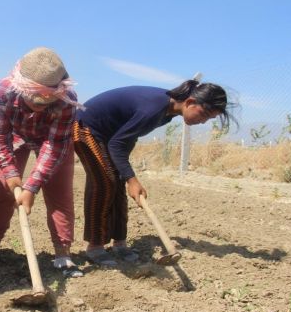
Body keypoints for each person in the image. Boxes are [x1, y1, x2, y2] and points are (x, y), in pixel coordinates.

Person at [73, 80, 237, 266]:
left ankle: (119, 243)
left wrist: (125, 175)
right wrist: (132, 178)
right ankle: (95, 247)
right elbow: (117, 143)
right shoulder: (153, 108)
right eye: (204, 115)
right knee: (105, 183)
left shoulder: (168, 112)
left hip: (111, 134)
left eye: (209, 119)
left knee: (117, 182)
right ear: (190, 102)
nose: (203, 122)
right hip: (86, 127)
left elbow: (127, 136)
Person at [0, 47, 84, 278]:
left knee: (60, 194)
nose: (42, 106)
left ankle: (63, 255)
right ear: (22, 89)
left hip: (53, 141)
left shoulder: (67, 100)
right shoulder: (3, 91)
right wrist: (13, 176)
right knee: (1, 190)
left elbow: (53, 146)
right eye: (36, 102)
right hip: (15, 137)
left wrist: (32, 187)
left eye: (47, 102)